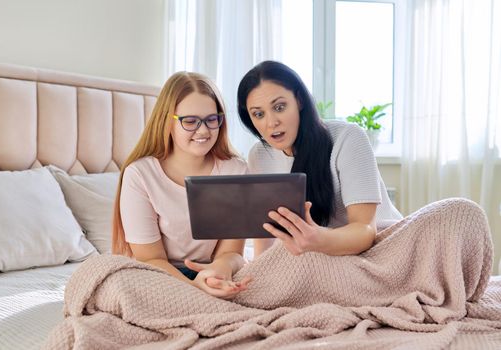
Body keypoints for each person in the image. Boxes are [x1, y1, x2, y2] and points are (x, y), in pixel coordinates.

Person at [237, 60, 403, 258]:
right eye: (258, 114)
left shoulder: (348, 138)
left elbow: (365, 230)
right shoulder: (259, 155)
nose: (271, 122)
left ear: (299, 101)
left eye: (280, 107)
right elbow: (265, 234)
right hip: (318, 254)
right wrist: (261, 271)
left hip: (381, 246)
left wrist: (319, 240)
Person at [112, 71, 251, 299]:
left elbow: (232, 253)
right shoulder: (140, 174)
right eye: (190, 121)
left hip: (211, 270)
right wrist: (195, 287)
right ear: (168, 121)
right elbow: (150, 259)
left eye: (211, 119)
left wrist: (217, 273)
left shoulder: (235, 170)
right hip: (158, 273)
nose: (204, 130)